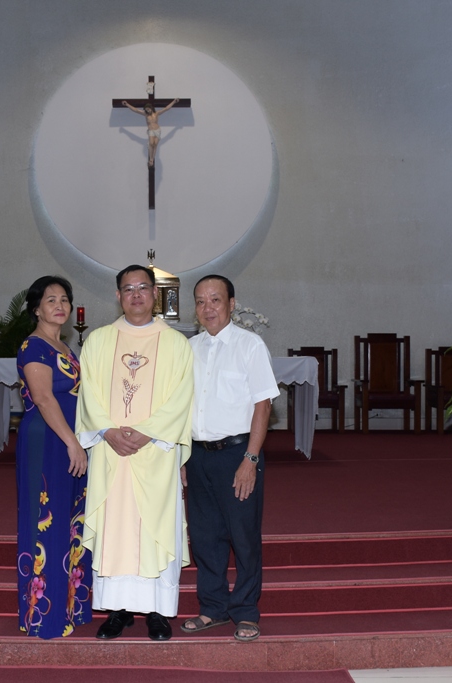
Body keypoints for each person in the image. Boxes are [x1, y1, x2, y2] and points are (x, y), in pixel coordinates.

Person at [76, 264, 194, 641]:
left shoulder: (176, 344)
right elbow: (88, 393)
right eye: (128, 289)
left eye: (143, 287)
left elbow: (182, 398)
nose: (136, 295)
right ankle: (118, 610)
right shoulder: (99, 341)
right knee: (116, 528)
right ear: (118, 296)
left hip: (156, 454)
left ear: (155, 294)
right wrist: (108, 432)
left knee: (156, 529)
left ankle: (158, 612)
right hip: (112, 454)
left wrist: (147, 433)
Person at [180, 275, 279, 643]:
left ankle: (246, 611)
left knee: (244, 535)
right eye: (200, 301)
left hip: (238, 454)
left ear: (232, 304)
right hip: (198, 455)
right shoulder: (189, 348)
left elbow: (263, 405)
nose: (208, 308)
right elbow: (181, 407)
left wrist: (250, 459)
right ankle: (213, 607)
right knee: (205, 536)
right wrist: (182, 458)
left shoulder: (250, 346)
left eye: (216, 300)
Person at [15, 275, 92, 639]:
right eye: (51, 300)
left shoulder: (63, 348)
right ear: (36, 309)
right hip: (48, 442)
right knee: (46, 520)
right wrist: (72, 443)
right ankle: (42, 615)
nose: (60, 305)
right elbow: (44, 399)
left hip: (68, 440)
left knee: (70, 521)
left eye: (64, 299)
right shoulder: (34, 346)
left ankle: (69, 606)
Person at [122, 98, 180, 167]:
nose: (147, 111)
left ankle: (152, 159)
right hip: (151, 131)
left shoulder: (157, 113)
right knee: (151, 143)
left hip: (157, 130)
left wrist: (174, 101)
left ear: (151, 108)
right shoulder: (146, 114)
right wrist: (127, 104)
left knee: (155, 144)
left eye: (148, 109)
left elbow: (166, 108)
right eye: (146, 110)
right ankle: (151, 159)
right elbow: (136, 110)